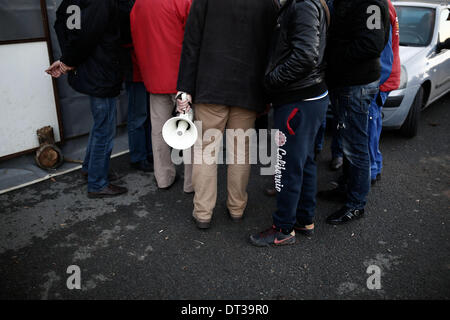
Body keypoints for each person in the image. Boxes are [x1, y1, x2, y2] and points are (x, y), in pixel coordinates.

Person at [177, 0, 278, 229]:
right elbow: (271, 48)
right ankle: (236, 207)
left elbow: (191, 43)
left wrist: (185, 89)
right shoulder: (268, 4)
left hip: (210, 87)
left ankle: (203, 212)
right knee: (240, 151)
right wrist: (267, 92)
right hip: (248, 88)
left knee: (205, 151)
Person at [249, 0, 330, 247]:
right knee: (304, 162)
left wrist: (271, 81)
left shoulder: (303, 4)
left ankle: (283, 228)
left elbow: (306, 55)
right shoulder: (303, 3)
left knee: (286, 166)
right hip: (306, 96)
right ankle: (304, 220)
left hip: (298, 98)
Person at [48, 0, 127, 198]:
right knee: (105, 130)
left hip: (89, 70)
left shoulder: (71, 1)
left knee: (100, 125)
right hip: (101, 71)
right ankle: (98, 183)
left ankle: (90, 168)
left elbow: (60, 21)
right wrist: (69, 60)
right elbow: (89, 34)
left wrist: (68, 57)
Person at [321, 0, 390, 225]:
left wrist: (334, 60)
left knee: (356, 146)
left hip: (356, 84)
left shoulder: (370, 3)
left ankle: (356, 204)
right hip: (347, 83)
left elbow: (372, 44)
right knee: (348, 141)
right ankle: (346, 188)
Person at [130, 0, 193, 192]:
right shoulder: (183, 1)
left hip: (153, 76)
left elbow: (135, 39)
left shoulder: (138, 5)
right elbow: (193, 39)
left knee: (158, 130)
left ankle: (163, 177)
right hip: (182, 79)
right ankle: (192, 182)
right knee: (189, 130)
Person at [119, 0, 154, 173]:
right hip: (134, 65)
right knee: (139, 115)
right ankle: (138, 156)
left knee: (146, 114)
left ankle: (147, 152)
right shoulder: (124, 5)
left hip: (145, 65)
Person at [369, 0, 400, 185]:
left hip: (380, 77)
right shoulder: (385, 4)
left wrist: (374, 82)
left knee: (370, 126)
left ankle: (372, 170)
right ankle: (375, 167)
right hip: (383, 75)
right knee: (373, 124)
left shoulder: (376, 6)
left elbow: (377, 47)